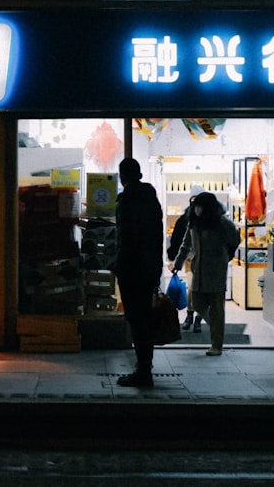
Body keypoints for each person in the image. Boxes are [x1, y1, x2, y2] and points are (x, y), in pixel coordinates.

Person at [114, 158, 164, 387]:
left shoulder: (126, 201)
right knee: (145, 318)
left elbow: (126, 239)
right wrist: (157, 266)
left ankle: (143, 371)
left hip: (132, 268)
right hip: (149, 267)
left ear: (122, 176)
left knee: (136, 319)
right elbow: (157, 236)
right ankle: (146, 367)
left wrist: (119, 265)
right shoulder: (152, 200)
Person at [171, 192, 240, 356]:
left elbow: (235, 239)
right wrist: (178, 263)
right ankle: (216, 326)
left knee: (217, 307)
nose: (198, 210)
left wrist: (226, 255)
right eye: (196, 206)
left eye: (201, 206)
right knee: (197, 303)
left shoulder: (222, 222)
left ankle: (217, 345)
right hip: (198, 268)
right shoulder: (194, 223)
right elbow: (185, 244)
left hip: (216, 269)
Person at [167, 184, 204, 332]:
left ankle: (196, 317)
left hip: (203, 259)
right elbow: (178, 241)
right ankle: (191, 315)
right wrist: (173, 259)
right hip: (192, 258)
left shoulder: (205, 218)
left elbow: (177, 240)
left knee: (198, 290)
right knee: (193, 287)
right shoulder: (187, 219)